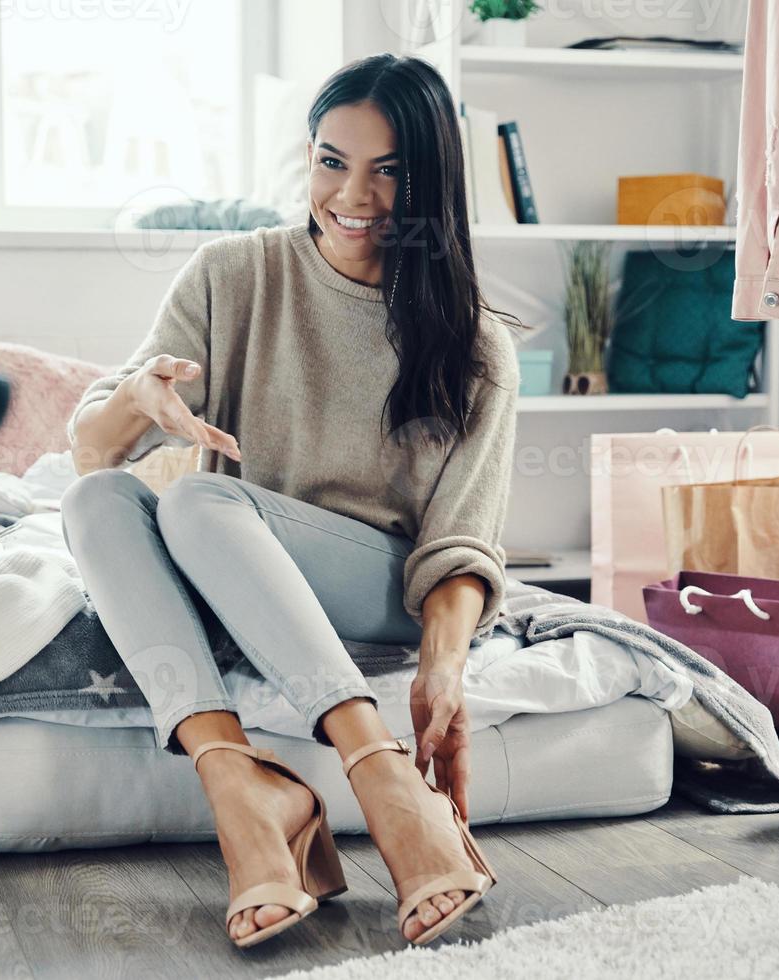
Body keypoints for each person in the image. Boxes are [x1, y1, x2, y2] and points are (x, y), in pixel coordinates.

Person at [61, 53, 525, 949]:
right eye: (331, 160)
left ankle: (384, 780)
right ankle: (244, 788)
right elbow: (89, 450)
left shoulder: (474, 347)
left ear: (429, 179)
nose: (354, 193)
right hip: (235, 559)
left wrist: (444, 663)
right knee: (100, 504)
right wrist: (140, 401)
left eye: (389, 170)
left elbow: (463, 543)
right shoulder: (230, 275)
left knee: (200, 505)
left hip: (373, 585)